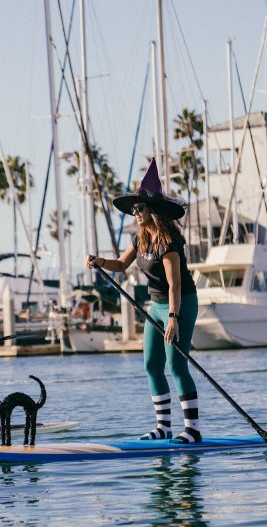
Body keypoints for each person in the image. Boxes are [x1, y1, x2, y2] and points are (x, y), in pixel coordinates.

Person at [86, 158, 201, 443]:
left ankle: (193, 430)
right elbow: (122, 264)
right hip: (156, 308)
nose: (135, 213)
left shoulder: (169, 242)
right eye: (133, 209)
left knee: (176, 366)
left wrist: (174, 318)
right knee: (151, 365)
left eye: (139, 208)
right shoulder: (140, 239)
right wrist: (99, 261)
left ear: (153, 211)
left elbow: (174, 285)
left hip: (180, 304)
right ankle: (163, 427)